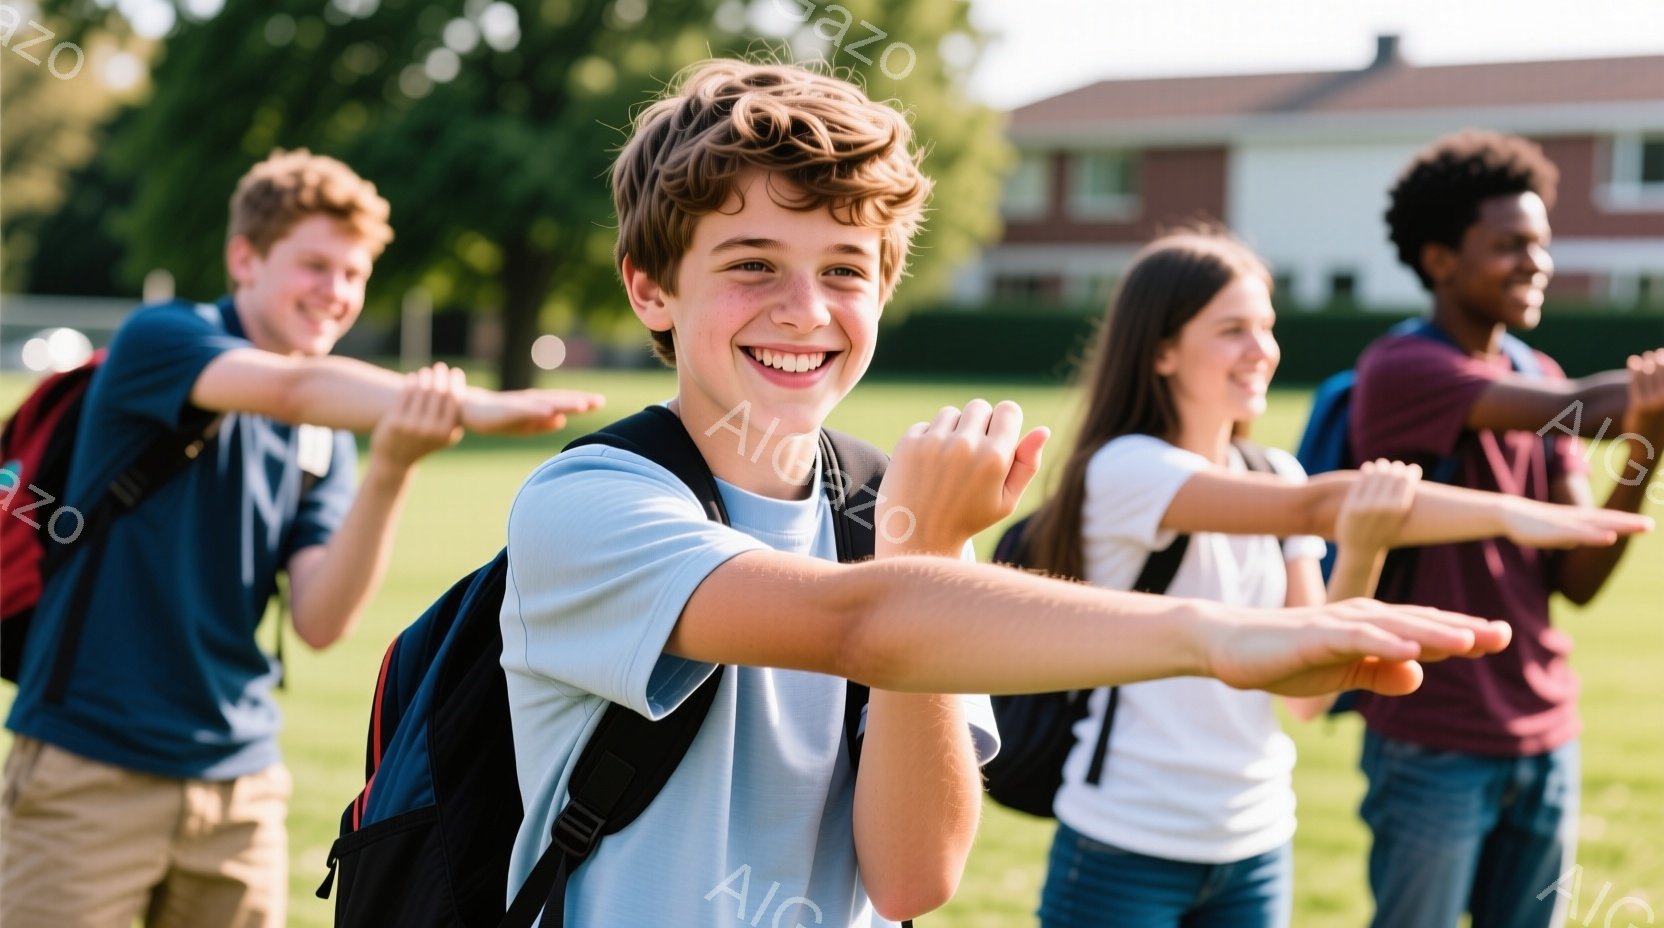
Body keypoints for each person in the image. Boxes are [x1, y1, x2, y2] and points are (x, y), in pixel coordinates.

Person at [497, 62, 1650, 928]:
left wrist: (918, 540)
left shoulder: (880, 508)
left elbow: (910, 874)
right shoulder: (590, 504)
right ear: (648, 290)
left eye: (844, 269)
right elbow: (861, 619)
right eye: (750, 263)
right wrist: (1207, 630)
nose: (804, 309)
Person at [0, 149, 604, 928]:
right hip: (88, 772)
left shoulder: (323, 440)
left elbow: (321, 619)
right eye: (315, 266)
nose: (337, 294)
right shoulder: (164, 339)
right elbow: (289, 386)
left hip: (241, 789)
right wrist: (468, 406)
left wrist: (390, 466)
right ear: (244, 258)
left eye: (354, 275)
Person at [1008, 228, 1642, 928]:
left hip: (1254, 846)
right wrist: (1515, 516)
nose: (1262, 351)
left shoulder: (1275, 470)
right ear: (1160, 350)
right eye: (1232, 330)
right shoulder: (1126, 469)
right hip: (1122, 845)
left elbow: (1308, 690)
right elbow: (1317, 504)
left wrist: (1364, 550)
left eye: (1266, 328)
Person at [1346, 129, 1664, 928]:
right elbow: (1588, 412)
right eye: (1509, 244)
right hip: (1433, 736)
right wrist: (1637, 403)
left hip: (1545, 731)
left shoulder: (1538, 373)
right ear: (1440, 258)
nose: (1537, 263)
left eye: (1543, 244)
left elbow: (1578, 576)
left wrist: (1648, 444)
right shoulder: (1402, 369)